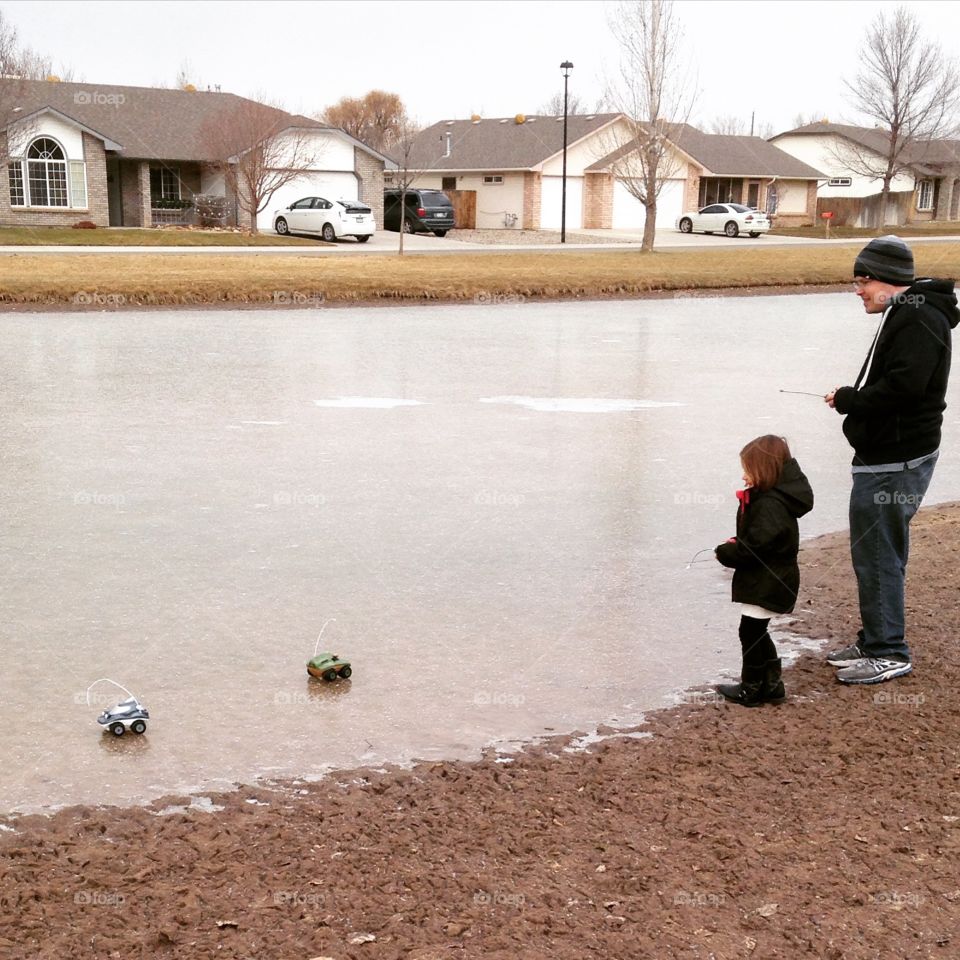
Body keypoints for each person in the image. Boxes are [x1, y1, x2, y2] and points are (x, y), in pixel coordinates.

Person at [825, 236, 959, 684]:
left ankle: (888, 652)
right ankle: (875, 639)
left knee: (879, 552)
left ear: (887, 279)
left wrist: (850, 400)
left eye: (862, 280)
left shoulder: (919, 316)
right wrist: (855, 401)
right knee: (875, 551)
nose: (858, 290)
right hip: (888, 456)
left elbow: (906, 388)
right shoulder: (910, 312)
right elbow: (901, 383)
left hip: (896, 460)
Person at [714, 435, 814, 707]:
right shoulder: (774, 498)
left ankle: (751, 688)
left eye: (747, 469)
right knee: (757, 631)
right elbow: (763, 540)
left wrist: (726, 553)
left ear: (762, 470)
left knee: (750, 632)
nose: (744, 476)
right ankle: (772, 685)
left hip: (767, 581)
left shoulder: (770, 504)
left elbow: (756, 548)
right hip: (773, 578)